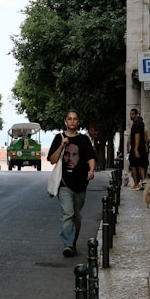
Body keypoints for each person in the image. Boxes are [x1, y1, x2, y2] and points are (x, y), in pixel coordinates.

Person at [47, 110, 97, 257]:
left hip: (81, 184)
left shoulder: (84, 140)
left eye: (75, 119)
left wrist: (91, 170)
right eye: (69, 119)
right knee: (68, 213)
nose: (72, 121)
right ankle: (67, 245)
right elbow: (52, 160)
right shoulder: (59, 138)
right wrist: (62, 146)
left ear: (78, 122)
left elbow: (90, 157)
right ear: (65, 121)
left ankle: (72, 242)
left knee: (77, 217)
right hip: (64, 184)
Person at [129, 107, 148, 190]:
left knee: (133, 165)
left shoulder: (136, 124)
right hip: (142, 148)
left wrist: (135, 149)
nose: (131, 116)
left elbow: (137, 137)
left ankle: (136, 183)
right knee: (141, 165)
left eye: (132, 114)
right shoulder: (141, 123)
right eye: (130, 114)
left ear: (136, 115)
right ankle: (143, 181)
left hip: (137, 148)